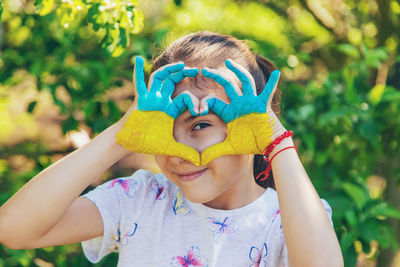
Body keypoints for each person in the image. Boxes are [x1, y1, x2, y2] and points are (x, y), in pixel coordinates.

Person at [0, 31, 343, 266]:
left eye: (201, 125)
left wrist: (277, 143)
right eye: (166, 129)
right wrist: (120, 134)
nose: (179, 150)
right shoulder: (138, 200)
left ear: (254, 128)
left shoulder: (290, 218)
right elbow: (14, 229)